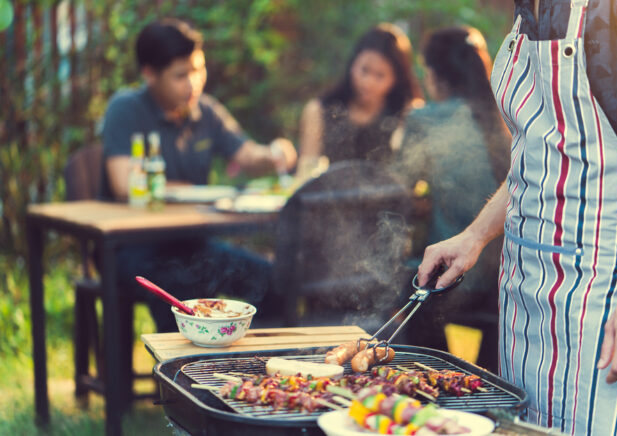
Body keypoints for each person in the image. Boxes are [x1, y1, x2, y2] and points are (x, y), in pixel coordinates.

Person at [417, 0, 617, 434]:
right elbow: (543, 151)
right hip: (524, 286)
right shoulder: (531, 8)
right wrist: (474, 236)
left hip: (605, 291)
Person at [99, 18, 296, 331]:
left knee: (271, 281)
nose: (193, 83)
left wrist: (274, 153)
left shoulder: (205, 111)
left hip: (193, 245)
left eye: (198, 70)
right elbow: (124, 184)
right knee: (183, 282)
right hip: (135, 247)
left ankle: (250, 367)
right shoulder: (126, 109)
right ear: (149, 73)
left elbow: (246, 154)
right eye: (181, 75)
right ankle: (182, 374)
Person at [394, 26, 510, 370]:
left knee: (403, 287)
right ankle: (486, 381)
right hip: (508, 280)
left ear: (433, 73)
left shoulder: (425, 119)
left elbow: (400, 186)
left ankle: (436, 376)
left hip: (458, 279)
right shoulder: (506, 115)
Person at [297, 23, 422, 176]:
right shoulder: (319, 110)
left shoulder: (407, 113)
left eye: (380, 75)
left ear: (397, 79)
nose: (368, 82)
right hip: (327, 198)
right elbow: (306, 174)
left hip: (385, 199)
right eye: (364, 70)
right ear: (352, 64)